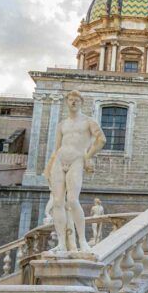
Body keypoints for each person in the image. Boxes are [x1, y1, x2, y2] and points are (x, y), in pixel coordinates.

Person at [44, 90, 106, 253]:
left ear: (81, 102)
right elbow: (57, 148)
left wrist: (88, 156)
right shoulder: (62, 125)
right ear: (67, 102)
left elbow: (101, 140)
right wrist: (49, 167)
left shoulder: (88, 122)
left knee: (72, 200)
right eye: (70, 99)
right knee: (58, 202)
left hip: (77, 159)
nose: (73, 102)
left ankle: (83, 241)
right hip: (59, 160)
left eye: (76, 100)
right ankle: (62, 244)